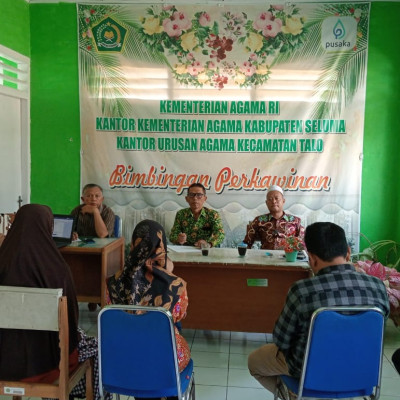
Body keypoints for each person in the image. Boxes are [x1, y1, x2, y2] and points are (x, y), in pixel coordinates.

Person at [248, 222, 390, 396]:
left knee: (255, 362)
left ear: (311, 258)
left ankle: (295, 395)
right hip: (362, 372)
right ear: (348, 252)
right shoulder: (378, 287)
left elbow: (281, 339)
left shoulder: (301, 290)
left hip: (310, 371)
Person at [0, 204, 110, 400]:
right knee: (93, 347)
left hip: (4, 363)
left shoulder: (3, 261)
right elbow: (70, 318)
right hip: (49, 366)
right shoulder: (56, 268)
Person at [107, 219, 191, 374]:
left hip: (123, 359)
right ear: (163, 247)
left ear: (132, 245)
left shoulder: (112, 282)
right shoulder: (176, 285)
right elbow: (179, 315)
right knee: (175, 330)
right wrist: (168, 271)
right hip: (164, 361)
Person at [243, 185, 304, 250]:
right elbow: (247, 243)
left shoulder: (295, 221)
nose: (274, 201)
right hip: (265, 258)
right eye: (270, 199)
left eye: (276, 198)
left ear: (283, 201)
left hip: (288, 258)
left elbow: (302, 244)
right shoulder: (259, 221)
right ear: (266, 203)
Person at [169, 183, 225, 247]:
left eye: (199, 195)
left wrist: (208, 244)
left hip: (206, 251)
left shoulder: (213, 214)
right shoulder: (181, 214)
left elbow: (220, 234)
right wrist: (178, 239)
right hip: (186, 251)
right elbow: (172, 235)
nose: (195, 198)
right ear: (187, 199)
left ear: (205, 198)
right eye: (191, 195)